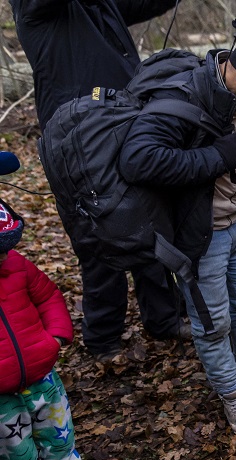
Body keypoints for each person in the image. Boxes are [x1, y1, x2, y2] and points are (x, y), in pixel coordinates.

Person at [118, 17, 236, 437]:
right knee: (212, 321)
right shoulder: (186, 96)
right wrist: (216, 157)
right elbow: (138, 159)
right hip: (201, 236)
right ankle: (233, 395)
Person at [10, 0, 184, 361]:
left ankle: (164, 319)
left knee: (147, 215)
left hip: (125, 124)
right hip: (76, 141)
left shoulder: (101, 5)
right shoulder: (36, 7)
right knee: (98, 230)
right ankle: (104, 338)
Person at [0, 196, 100, 460]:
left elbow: (47, 296)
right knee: (14, 449)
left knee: (58, 433)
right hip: (1, 396)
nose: (4, 257)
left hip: (42, 376)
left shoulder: (16, 265)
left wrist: (56, 336)